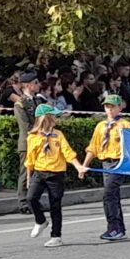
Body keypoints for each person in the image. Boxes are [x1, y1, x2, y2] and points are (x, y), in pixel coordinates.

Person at [25, 103, 86, 248]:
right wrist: (29, 177)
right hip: (39, 172)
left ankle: (56, 236)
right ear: (46, 118)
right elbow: (30, 158)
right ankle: (40, 221)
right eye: (53, 115)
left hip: (56, 173)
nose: (56, 117)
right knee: (30, 198)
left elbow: (68, 152)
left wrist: (78, 166)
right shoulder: (33, 137)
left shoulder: (58, 135)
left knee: (55, 205)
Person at [81, 93, 130, 241]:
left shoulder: (125, 125)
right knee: (113, 195)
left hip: (119, 163)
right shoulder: (101, 126)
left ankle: (113, 227)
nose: (109, 109)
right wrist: (84, 166)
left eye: (112, 106)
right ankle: (119, 228)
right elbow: (93, 147)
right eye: (107, 106)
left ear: (119, 108)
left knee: (108, 194)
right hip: (106, 163)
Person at [14, 72, 41, 214]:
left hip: (39, 142)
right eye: (35, 83)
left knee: (38, 174)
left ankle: (34, 200)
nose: (38, 85)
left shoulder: (37, 101)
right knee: (25, 173)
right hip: (28, 142)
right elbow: (25, 126)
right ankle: (23, 202)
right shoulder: (20, 104)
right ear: (27, 85)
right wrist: (40, 130)